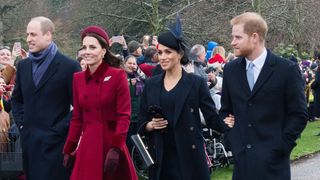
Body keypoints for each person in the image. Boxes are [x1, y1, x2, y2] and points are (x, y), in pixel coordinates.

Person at [138, 19, 234, 180]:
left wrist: (228, 123)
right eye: (160, 52)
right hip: (161, 157)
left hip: (190, 155)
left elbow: (211, 118)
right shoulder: (151, 84)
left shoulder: (195, 83)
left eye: (168, 52)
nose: (162, 57)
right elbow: (141, 121)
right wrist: (149, 125)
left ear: (180, 54)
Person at [220, 12, 308, 180]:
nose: (232, 42)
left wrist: (281, 147)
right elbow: (225, 111)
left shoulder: (286, 70)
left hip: (274, 166)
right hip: (242, 164)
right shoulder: (230, 70)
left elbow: (299, 114)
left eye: (237, 37)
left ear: (254, 37)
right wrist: (232, 139)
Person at [62, 25, 137, 180]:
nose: (87, 51)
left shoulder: (117, 76)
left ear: (103, 51)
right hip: (88, 145)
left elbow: (124, 115)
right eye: (84, 47)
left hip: (111, 144)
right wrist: (68, 149)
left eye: (92, 47)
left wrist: (116, 148)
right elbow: (77, 118)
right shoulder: (78, 79)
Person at [11, 16, 81, 180]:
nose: (28, 39)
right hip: (29, 144)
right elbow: (16, 100)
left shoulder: (69, 66)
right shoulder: (23, 66)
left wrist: (57, 130)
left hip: (56, 146)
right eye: (27, 34)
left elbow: (79, 107)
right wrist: (23, 125)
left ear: (48, 35)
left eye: (33, 34)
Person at [124, 55, 145, 153]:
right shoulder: (121, 76)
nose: (132, 65)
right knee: (129, 143)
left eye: (134, 63)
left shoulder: (139, 76)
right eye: (129, 63)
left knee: (139, 143)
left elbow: (148, 82)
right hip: (128, 116)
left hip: (139, 115)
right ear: (124, 64)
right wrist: (127, 83)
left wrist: (138, 70)